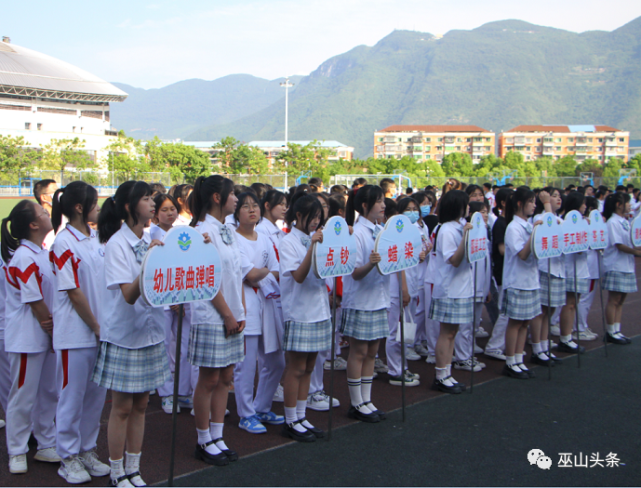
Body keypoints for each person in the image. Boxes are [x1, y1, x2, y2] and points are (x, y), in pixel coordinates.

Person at [93, 181, 170, 487]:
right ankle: (116, 471)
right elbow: (128, 294)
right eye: (147, 200)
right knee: (122, 407)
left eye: (153, 199)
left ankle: (134, 468)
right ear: (128, 206)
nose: (153, 204)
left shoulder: (151, 238)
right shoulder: (116, 245)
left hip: (150, 333)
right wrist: (149, 263)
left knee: (140, 405)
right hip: (125, 336)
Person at [50, 182, 110, 483]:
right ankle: (68, 457)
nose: (98, 209)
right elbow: (73, 291)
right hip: (76, 334)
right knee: (71, 397)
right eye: (94, 204)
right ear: (78, 208)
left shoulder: (96, 238)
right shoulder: (63, 243)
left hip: (99, 333)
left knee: (95, 398)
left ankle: (87, 449)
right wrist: (96, 326)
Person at [189, 175, 246, 466]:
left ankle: (217, 435)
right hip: (213, 316)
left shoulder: (227, 230)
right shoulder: (202, 231)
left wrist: (241, 312)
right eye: (232, 194)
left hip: (232, 314)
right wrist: (227, 314)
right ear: (216, 198)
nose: (236, 199)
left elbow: (237, 276)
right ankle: (203, 440)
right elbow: (207, 279)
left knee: (226, 377)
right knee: (209, 378)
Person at [3, 200, 60, 474]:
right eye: (42, 213)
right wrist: (50, 326)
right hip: (29, 337)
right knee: (23, 394)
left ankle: (47, 441)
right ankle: (17, 449)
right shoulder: (24, 256)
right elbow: (34, 300)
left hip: (46, 334)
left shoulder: (42, 252)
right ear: (33, 225)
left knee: (48, 391)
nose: (47, 213)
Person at [279, 193, 332, 441]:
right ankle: (291, 420)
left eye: (320, 217)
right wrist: (313, 245)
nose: (316, 221)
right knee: (296, 367)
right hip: (299, 312)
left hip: (318, 309)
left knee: (310, 366)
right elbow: (298, 276)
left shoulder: (316, 238)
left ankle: (301, 416)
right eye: (312, 216)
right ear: (298, 216)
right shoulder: (289, 241)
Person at [233, 192, 285, 434]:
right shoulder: (233, 239)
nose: (251, 210)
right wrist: (262, 272)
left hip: (267, 304)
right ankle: (246, 414)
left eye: (254, 206)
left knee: (276, 361)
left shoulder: (263, 238)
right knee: (246, 365)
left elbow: (275, 271)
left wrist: (259, 272)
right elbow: (251, 275)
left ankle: (262, 406)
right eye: (245, 206)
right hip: (247, 306)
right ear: (236, 213)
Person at [341, 185, 388, 421]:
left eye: (383, 200)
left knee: (372, 351)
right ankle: (356, 402)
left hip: (378, 298)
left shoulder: (381, 230)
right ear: (364, 206)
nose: (383, 205)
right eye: (378, 201)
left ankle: (367, 399)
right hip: (360, 300)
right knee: (359, 351)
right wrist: (372, 263)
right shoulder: (357, 233)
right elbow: (355, 272)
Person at [151, 193, 198, 415]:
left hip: (182, 299)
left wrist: (181, 297)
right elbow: (157, 270)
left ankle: (182, 392)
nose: (170, 213)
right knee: (164, 346)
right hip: (163, 301)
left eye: (172, 209)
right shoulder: (151, 235)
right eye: (164, 209)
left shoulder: (182, 234)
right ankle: (166, 393)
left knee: (184, 346)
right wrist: (170, 298)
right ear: (155, 214)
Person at [429, 190, 473, 393]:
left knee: (452, 332)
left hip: (460, 288)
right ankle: (440, 375)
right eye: (466, 204)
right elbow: (454, 260)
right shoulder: (447, 229)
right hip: (449, 289)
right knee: (446, 333)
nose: (469, 208)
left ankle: (447, 373)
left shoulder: (458, 227)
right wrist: (466, 237)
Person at [500, 187, 541, 379]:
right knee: (515, 323)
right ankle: (510, 362)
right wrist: (535, 235)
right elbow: (523, 255)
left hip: (531, 280)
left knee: (525, 322)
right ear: (519, 204)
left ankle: (518, 359)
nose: (534, 205)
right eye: (531, 201)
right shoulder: (513, 227)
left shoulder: (529, 225)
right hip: (517, 281)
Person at [385, 198, 425, 387]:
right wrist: (404, 289)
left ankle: (403, 366)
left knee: (406, 331)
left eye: (414, 208)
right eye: (408, 209)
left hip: (411, 286)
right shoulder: (396, 232)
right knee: (395, 331)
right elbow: (397, 262)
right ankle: (395, 370)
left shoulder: (413, 231)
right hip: (398, 289)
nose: (412, 212)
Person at [528, 188, 564, 366]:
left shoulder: (561, 219)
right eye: (553, 196)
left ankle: (544, 345)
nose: (557, 199)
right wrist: (546, 204)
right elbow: (552, 232)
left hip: (558, 269)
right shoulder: (539, 217)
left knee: (550, 311)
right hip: (545, 269)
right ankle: (537, 348)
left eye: (559, 196)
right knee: (541, 311)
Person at [602, 192, 637, 344]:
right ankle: (610, 331)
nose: (630, 205)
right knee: (614, 299)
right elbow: (619, 244)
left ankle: (617, 329)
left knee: (621, 300)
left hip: (626, 265)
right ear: (619, 205)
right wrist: (637, 252)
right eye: (627, 202)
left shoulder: (624, 221)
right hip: (616, 265)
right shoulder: (613, 222)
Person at [557, 192, 590, 354]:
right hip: (571, 269)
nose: (585, 207)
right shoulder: (565, 224)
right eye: (583, 204)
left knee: (573, 303)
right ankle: (565, 338)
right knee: (569, 304)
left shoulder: (584, 222)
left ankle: (568, 336)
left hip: (582, 268)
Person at [484, 188, 513, 361]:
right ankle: (494, 345)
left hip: (509, 272)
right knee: (505, 311)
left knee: (508, 311)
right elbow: (502, 250)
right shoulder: (501, 223)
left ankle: (502, 345)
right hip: (504, 272)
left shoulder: (508, 222)